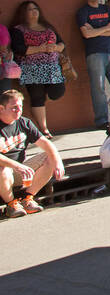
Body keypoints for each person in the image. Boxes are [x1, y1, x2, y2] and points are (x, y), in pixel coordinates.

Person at [0, 87, 65, 216]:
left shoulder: (24, 123)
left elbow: (47, 144)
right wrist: (17, 166)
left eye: (20, 106)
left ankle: (28, 199)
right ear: (1, 108)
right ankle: (11, 205)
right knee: (2, 169)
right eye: (14, 107)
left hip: (19, 171)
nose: (19, 110)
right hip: (4, 172)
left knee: (50, 157)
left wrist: (58, 162)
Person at [10, 0, 66, 137]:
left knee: (57, 91)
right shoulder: (18, 29)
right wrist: (40, 48)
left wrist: (56, 48)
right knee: (37, 97)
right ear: (23, 13)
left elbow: (61, 43)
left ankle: (44, 97)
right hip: (31, 68)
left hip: (52, 68)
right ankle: (43, 128)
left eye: (36, 8)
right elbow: (19, 49)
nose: (34, 11)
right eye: (30, 9)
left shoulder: (47, 27)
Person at [76, 0, 110, 129]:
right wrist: (106, 27)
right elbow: (86, 34)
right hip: (95, 54)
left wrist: (96, 30)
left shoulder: (106, 8)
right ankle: (102, 120)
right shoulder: (83, 12)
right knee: (99, 88)